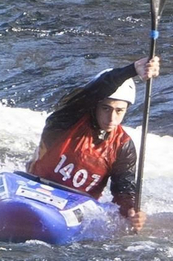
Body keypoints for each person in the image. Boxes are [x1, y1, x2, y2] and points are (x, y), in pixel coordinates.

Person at [27, 56, 161, 232]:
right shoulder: (65, 120)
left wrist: (131, 212)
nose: (112, 118)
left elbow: (123, 192)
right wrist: (132, 70)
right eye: (106, 108)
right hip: (35, 188)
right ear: (94, 106)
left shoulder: (123, 146)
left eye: (119, 111)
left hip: (73, 208)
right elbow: (94, 91)